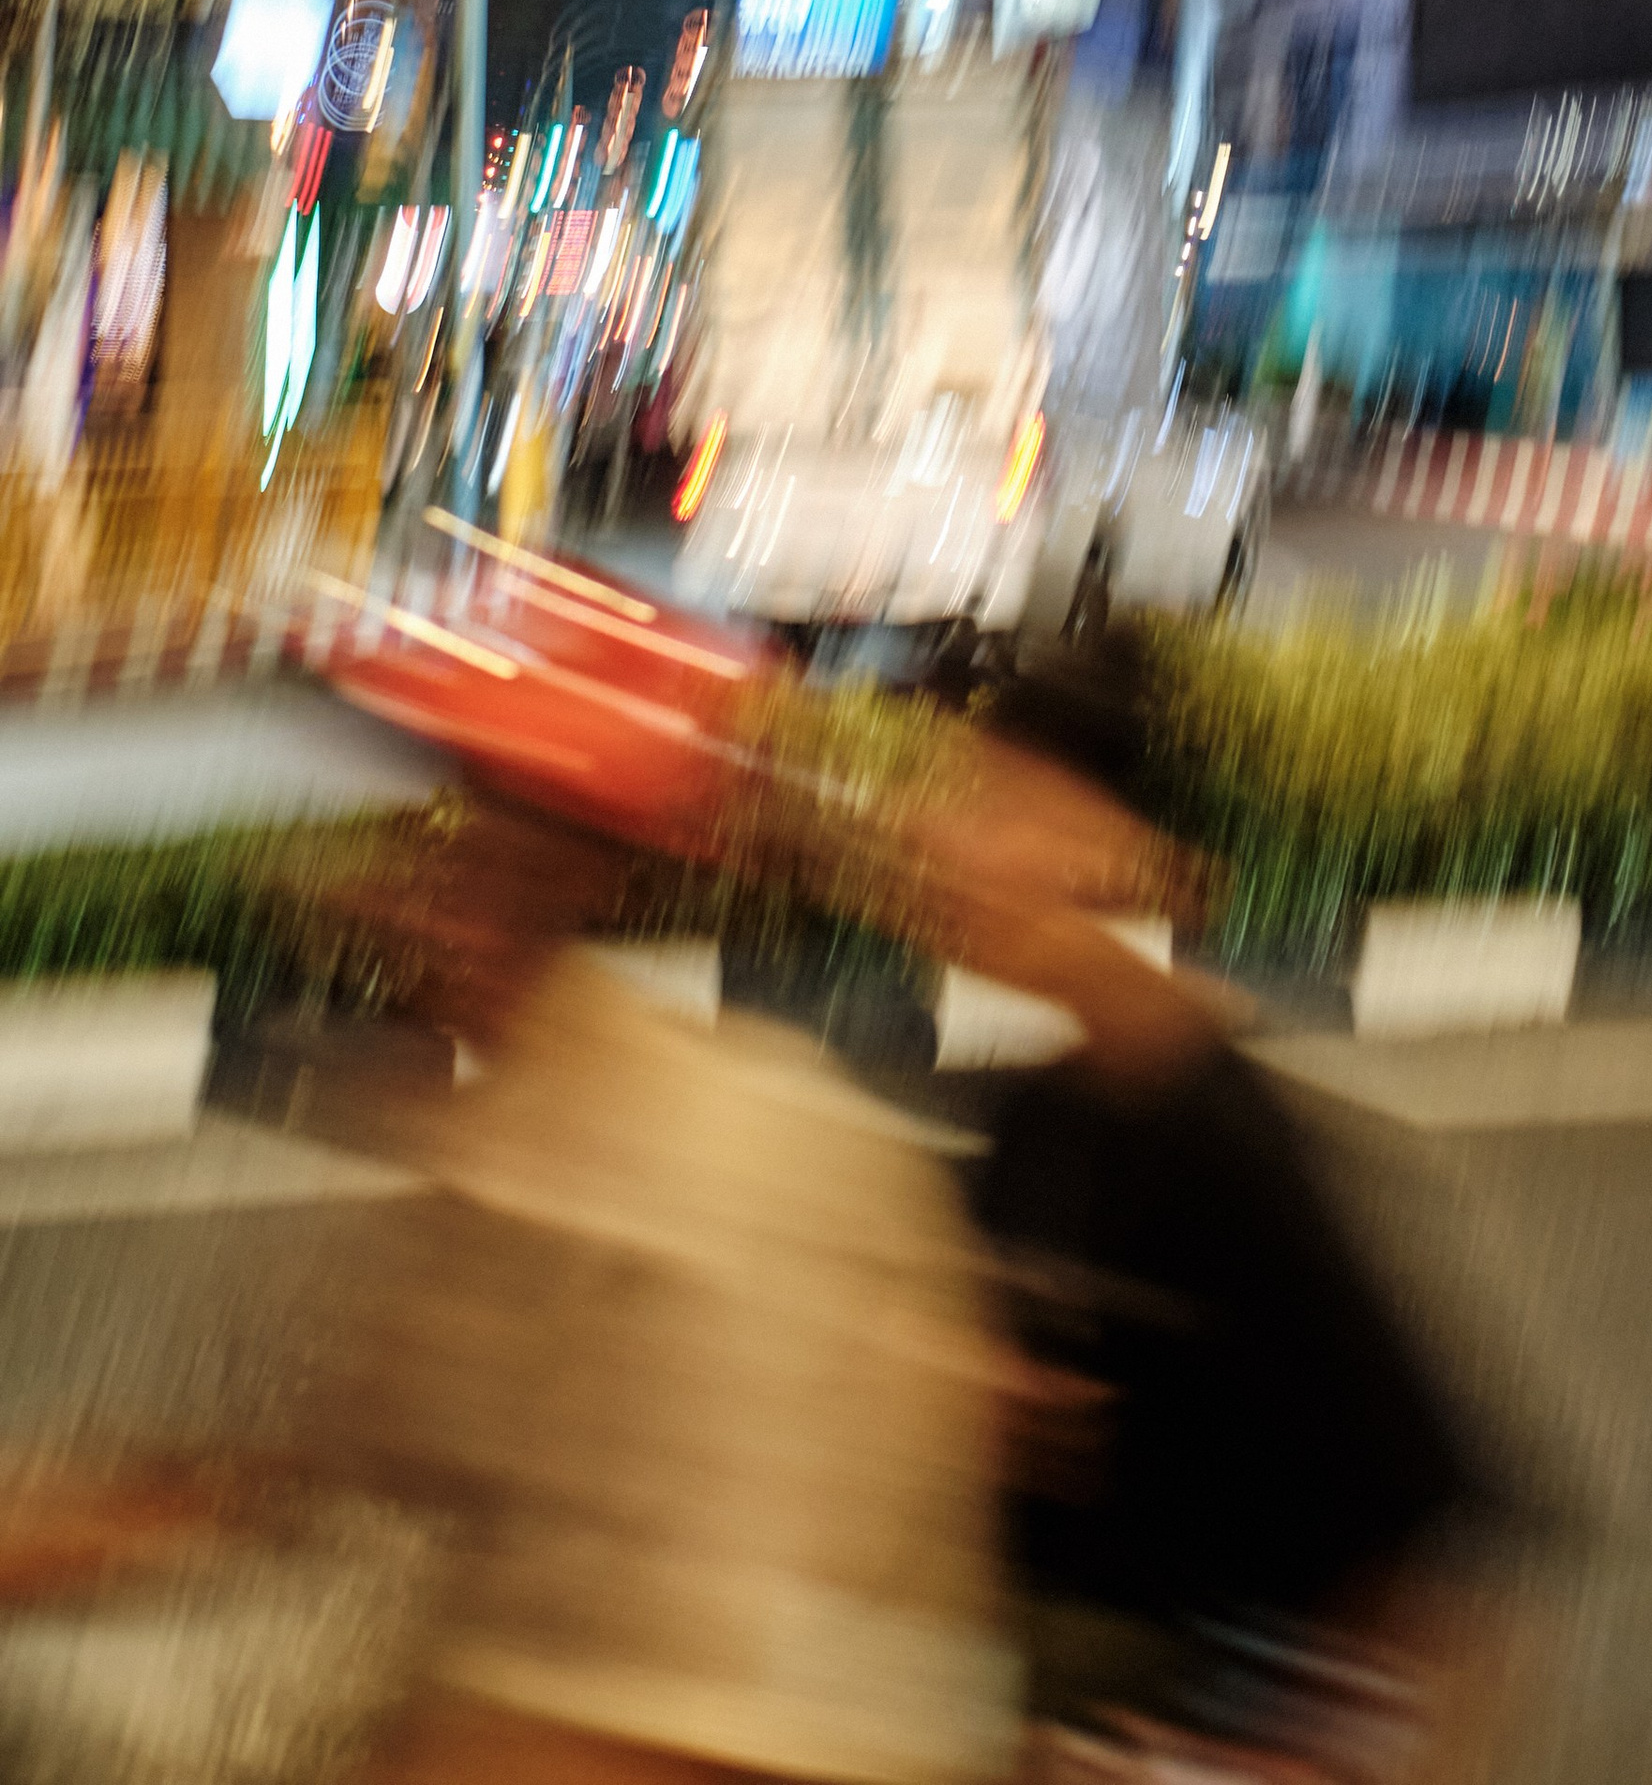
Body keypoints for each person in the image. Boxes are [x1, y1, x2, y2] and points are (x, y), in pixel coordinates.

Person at [313, 554, 1023, 1785]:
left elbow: (741, 1725)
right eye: (433, 816)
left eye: (478, 831)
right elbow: (331, 1467)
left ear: (578, 875)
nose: (408, 880)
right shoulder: (504, 1146)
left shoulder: (745, 1178)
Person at [902, 640, 1513, 1778]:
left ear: (1127, 858)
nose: (945, 842)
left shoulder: (1227, 1151)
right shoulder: (1038, 1116)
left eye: (1002, 806)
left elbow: (1439, 1565)